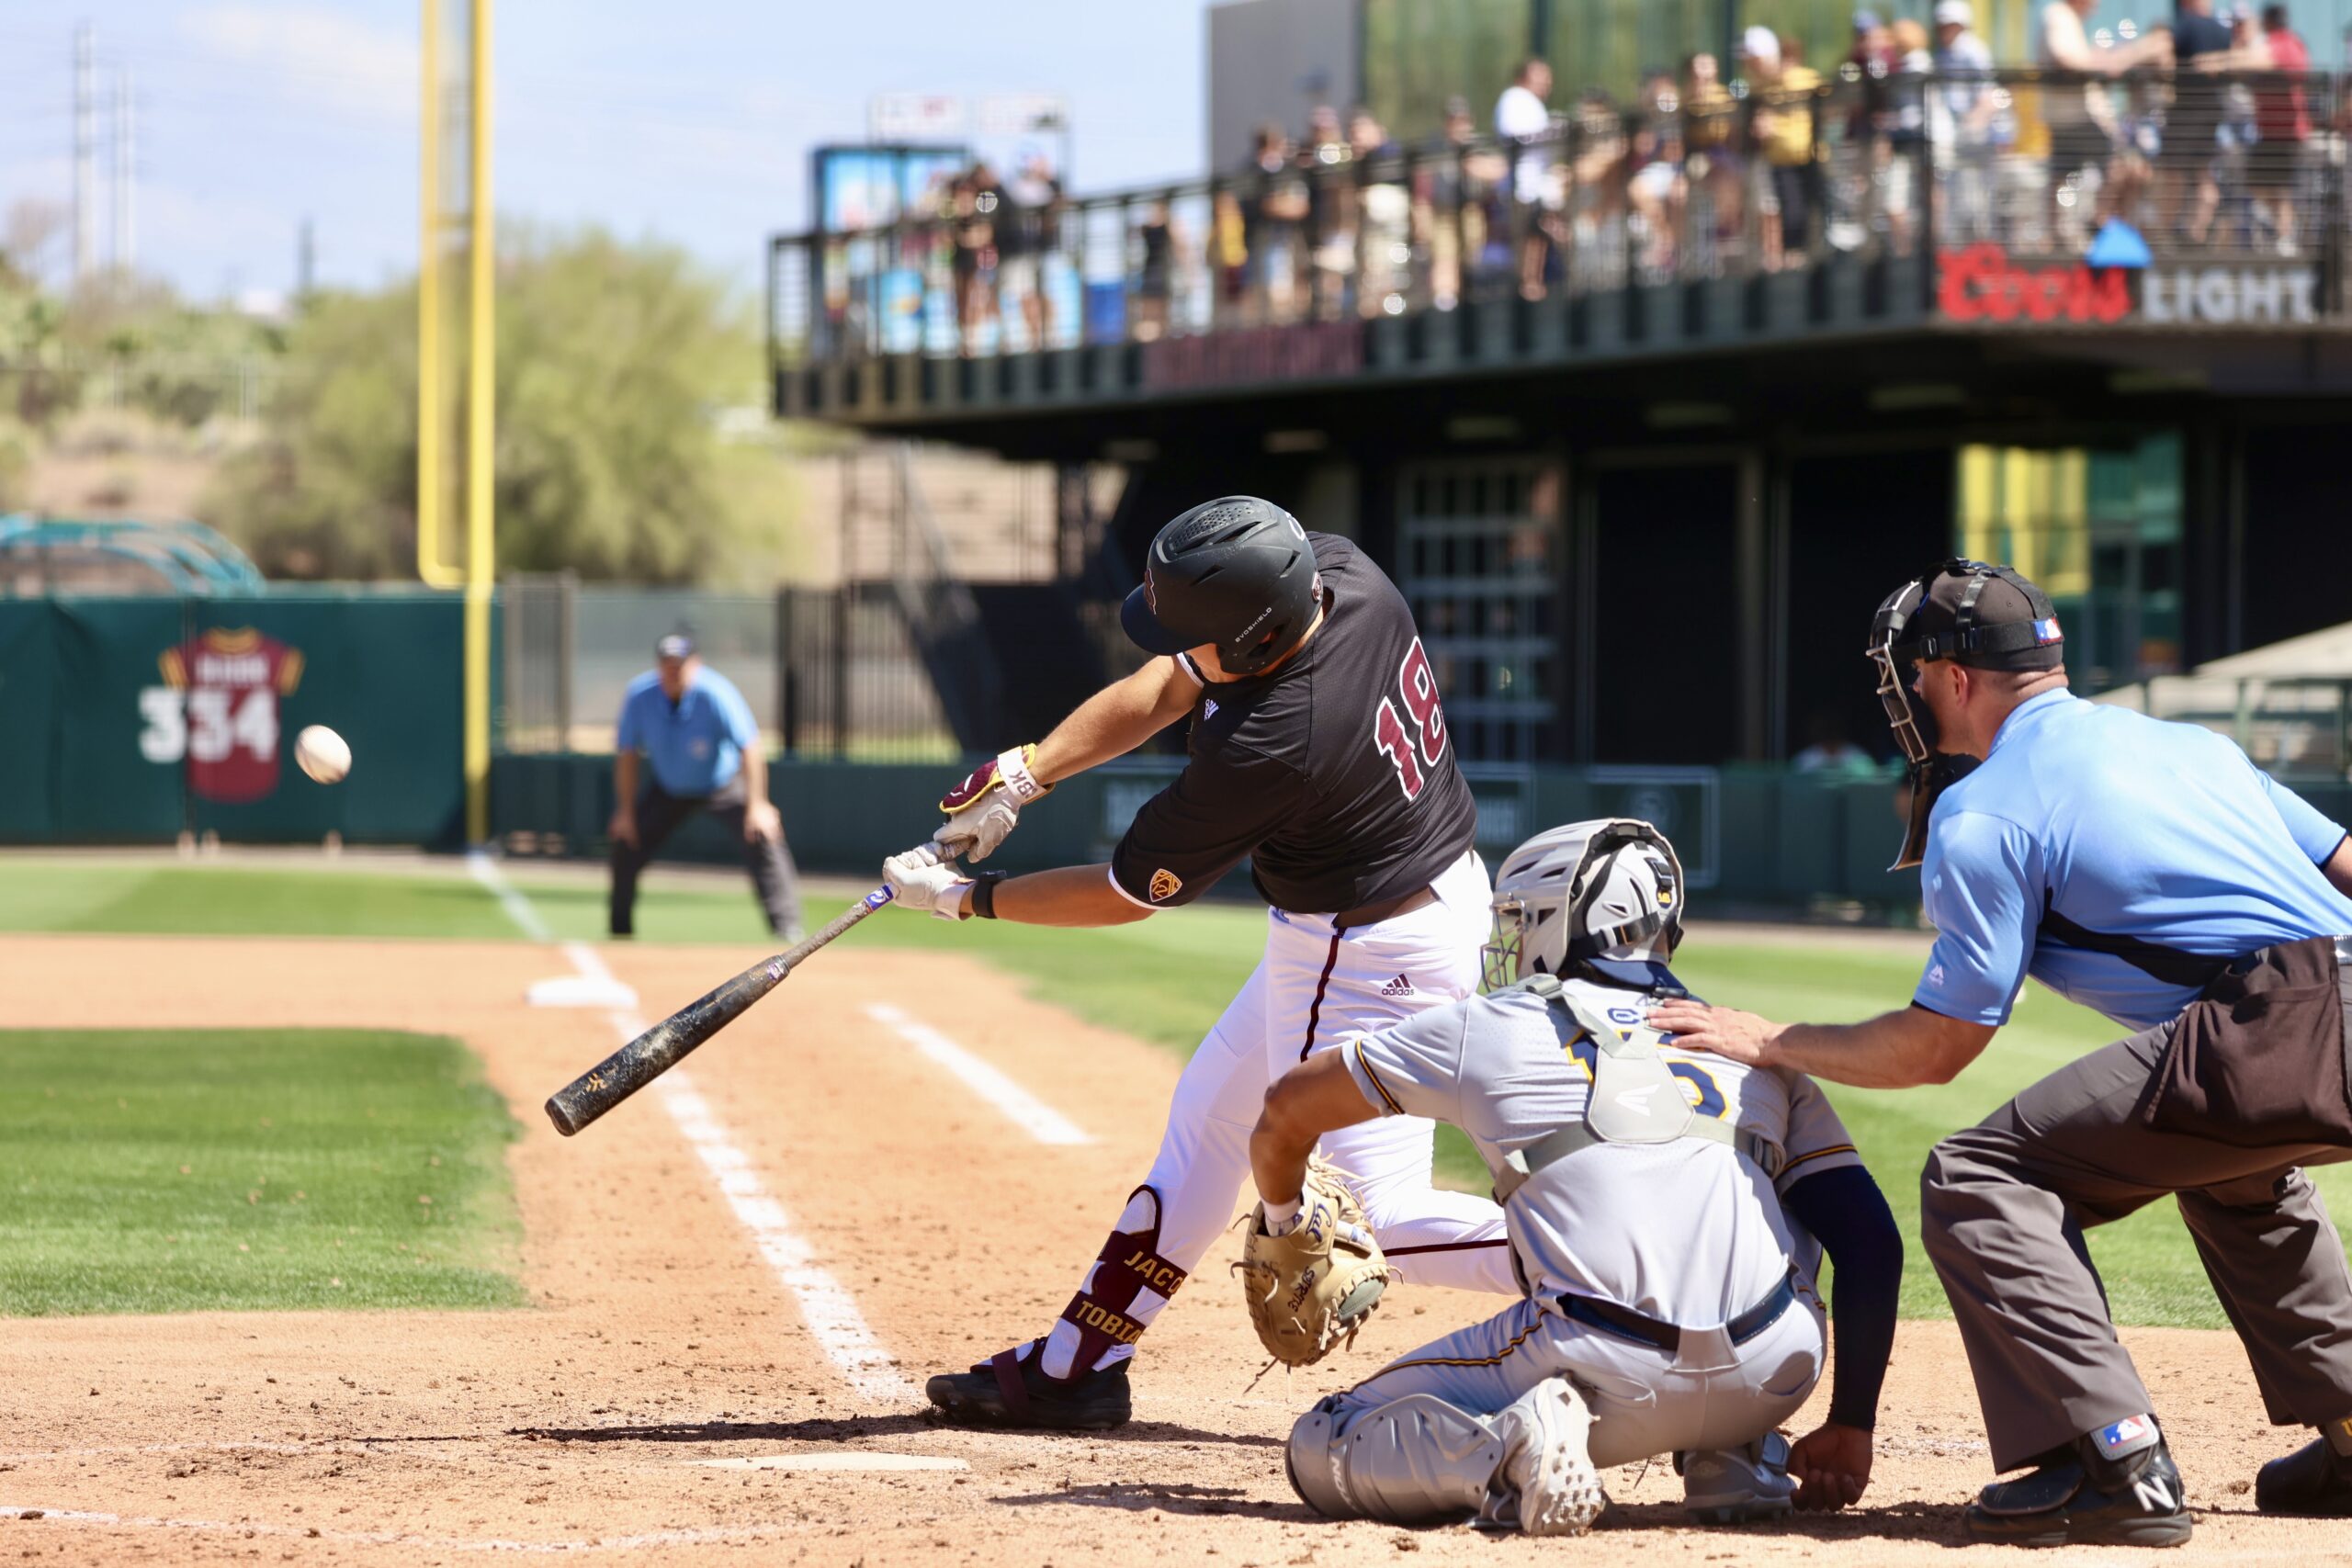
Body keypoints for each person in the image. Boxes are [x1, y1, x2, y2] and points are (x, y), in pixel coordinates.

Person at [1653, 558, 2352, 1546]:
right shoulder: (2187, 744)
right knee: (2231, 1166)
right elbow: (2345, 865)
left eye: (1909, 673)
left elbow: (1938, 1047)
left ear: (1949, 676)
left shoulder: (1982, 811)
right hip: (2301, 1015)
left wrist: (1771, 1039)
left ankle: (2112, 1459)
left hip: (2286, 1023)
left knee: (1980, 1174)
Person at [882, 497, 1516, 1430]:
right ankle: (1078, 1367)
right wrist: (1028, 772)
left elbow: (1126, 892)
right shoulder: (1341, 576)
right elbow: (1173, 681)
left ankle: (1631, 1253)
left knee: (1364, 1220)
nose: (1174, 644)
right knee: (1211, 1126)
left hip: (1361, 951)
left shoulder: (1275, 742)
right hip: (1412, 901)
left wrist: (967, 897)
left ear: (1257, 638)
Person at [1254, 820, 1902, 1534]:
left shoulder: (1491, 1024)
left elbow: (1287, 1106)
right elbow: (1871, 1240)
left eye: (1521, 918)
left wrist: (1285, 1214)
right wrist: (1850, 1421)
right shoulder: (1751, 1045)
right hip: (1777, 1370)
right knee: (1767, 1180)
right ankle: (1736, 1452)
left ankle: (1508, 1451)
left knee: (1325, 1439)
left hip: (1604, 1373)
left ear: (1562, 920)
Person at [608, 633, 802, 943]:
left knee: (764, 835)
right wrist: (625, 811)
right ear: (658, 666)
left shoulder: (716, 692)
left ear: (695, 665)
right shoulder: (640, 695)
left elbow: (750, 747)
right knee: (625, 840)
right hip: (668, 787)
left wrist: (758, 804)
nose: (673, 671)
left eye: (680, 665)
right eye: (667, 665)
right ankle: (619, 933)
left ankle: (788, 928)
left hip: (720, 784)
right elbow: (627, 754)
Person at [2036, 0, 2168, 243]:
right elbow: (2065, 58)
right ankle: (2097, 222)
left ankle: (2079, 229)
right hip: (2076, 116)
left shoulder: (2066, 18)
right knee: (2119, 163)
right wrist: (2106, 62)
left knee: (2064, 175)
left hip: (2068, 114)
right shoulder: (2058, 15)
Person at [2250, 4, 2311, 250]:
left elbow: (2263, 61)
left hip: (2287, 134)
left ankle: (2286, 237)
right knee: (2259, 185)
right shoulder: (2278, 42)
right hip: (2268, 132)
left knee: (2281, 187)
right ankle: (2281, 229)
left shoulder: (2285, 43)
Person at [1495, 58, 1557, 299]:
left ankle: (1534, 285)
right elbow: (1516, 136)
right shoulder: (1514, 98)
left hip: (1536, 185)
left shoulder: (1533, 104)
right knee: (1527, 236)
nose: (1546, 82)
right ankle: (1527, 288)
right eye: (1540, 75)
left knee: (1538, 234)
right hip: (1521, 185)